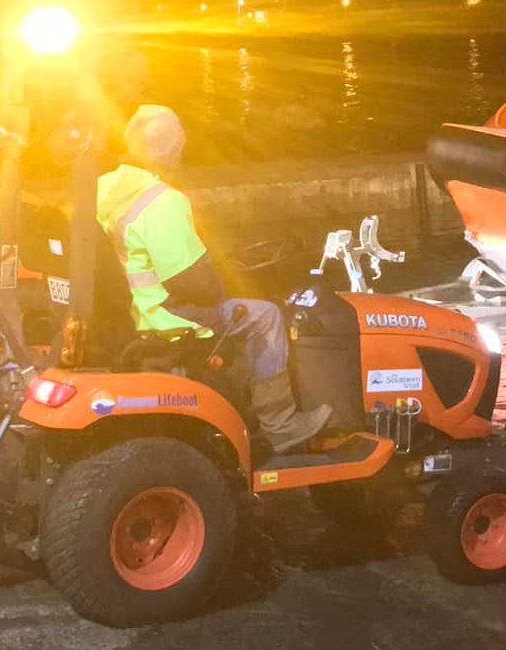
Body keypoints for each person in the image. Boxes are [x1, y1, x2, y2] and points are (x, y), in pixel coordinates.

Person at [95, 105, 333, 453]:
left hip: (136, 306)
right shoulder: (161, 201)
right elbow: (195, 284)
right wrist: (223, 281)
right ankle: (281, 424)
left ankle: (246, 399)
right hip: (167, 315)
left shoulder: (104, 189)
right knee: (266, 316)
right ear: (172, 151)